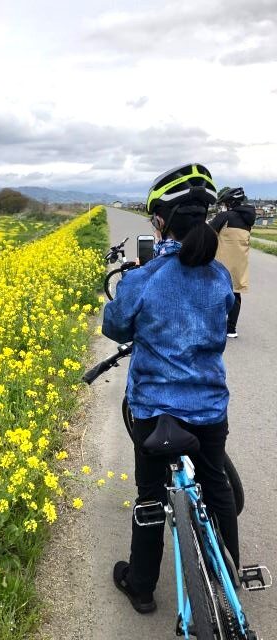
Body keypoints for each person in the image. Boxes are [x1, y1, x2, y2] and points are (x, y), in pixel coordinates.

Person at [102, 163, 239, 614]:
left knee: (150, 494)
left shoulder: (143, 278)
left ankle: (141, 586)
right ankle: (230, 577)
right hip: (208, 405)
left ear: (159, 221)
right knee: (215, 481)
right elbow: (219, 329)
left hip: (154, 410)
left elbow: (116, 326)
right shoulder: (218, 276)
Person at [209, 187, 256, 338]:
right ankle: (231, 329)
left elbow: (208, 235)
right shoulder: (248, 220)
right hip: (240, 264)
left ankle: (214, 327)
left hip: (222, 263)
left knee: (215, 293)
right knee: (235, 294)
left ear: (229, 203)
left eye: (224, 203)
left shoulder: (224, 216)